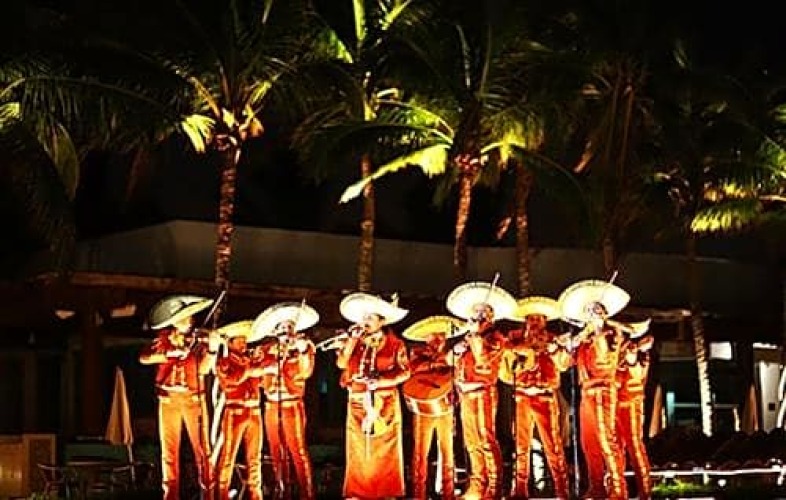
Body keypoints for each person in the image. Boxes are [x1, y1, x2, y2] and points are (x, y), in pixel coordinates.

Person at [139, 294, 219, 500]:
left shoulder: (197, 342)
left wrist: (212, 349)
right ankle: (170, 495)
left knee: (202, 449)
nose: (189, 322)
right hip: (168, 400)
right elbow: (144, 357)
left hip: (193, 400)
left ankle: (208, 493)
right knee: (169, 451)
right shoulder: (163, 340)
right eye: (184, 318)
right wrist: (169, 354)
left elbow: (204, 369)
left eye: (190, 318)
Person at [558, 279, 631, 500]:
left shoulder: (612, 335)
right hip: (586, 393)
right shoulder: (583, 340)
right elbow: (564, 365)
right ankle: (596, 487)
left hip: (603, 390)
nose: (592, 314)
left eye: (596, 310)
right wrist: (567, 347)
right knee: (588, 443)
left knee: (607, 439)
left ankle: (618, 488)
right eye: (588, 311)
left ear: (604, 313)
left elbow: (605, 359)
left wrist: (598, 330)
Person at [446, 281, 517, 500]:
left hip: (482, 392)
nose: (477, 316)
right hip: (465, 394)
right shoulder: (468, 338)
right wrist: (456, 350)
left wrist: (475, 337)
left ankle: (495, 486)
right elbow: (449, 361)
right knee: (471, 441)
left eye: (483, 312)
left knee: (485, 438)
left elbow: (483, 360)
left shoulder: (496, 339)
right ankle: (478, 483)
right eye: (475, 312)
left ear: (491, 317)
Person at [335, 292, 411, 499]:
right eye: (363, 317)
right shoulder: (354, 341)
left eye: (370, 317)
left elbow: (405, 372)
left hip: (384, 401)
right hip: (357, 400)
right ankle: (357, 492)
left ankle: (387, 491)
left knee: (386, 445)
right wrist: (351, 341)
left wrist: (381, 381)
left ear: (381, 321)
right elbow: (341, 364)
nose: (365, 321)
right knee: (358, 446)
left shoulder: (395, 344)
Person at [499, 296, 570, 499]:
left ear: (545, 321)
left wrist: (556, 350)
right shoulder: (514, 338)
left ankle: (562, 489)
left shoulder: (553, 339)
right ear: (525, 320)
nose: (535, 322)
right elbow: (504, 364)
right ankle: (519, 488)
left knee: (552, 445)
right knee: (521, 445)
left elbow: (564, 364)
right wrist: (518, 349)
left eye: (539, 318)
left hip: (544, 396)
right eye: (531, 318)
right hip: (522, 396)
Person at [252, 302, 320, 500]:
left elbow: (306, 372)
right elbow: (254, 374)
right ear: (275, 331)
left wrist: (302, 350)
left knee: (298, 450)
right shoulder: (265, 350)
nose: (286, 330)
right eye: (282, 327)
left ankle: (307, 493)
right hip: (271, 405)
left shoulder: (302, 347)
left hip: (292, 404)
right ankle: (282, 490)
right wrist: (265, 367)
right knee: (275, 449)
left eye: (289, 326)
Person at [401, 316, 462, 500]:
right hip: (422, 409)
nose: (436, 340)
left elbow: (459, 374)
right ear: (425, 338)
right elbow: (410, 369)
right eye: (432, 337)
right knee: (420, 452)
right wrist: (434, 363)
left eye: (440, 336)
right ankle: (418, 493)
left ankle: (448, 493)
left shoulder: (453, 354)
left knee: (447, 452)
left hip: (445, 407)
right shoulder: (417, 353)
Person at [214, 320, 266, 500]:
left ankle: (256, 495)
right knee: (228, 455)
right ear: (230, 343)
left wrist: (258, 361)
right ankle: (221, 494)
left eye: (245, 341)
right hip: (235, 411)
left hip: (254, 411)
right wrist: (249, 369)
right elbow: (231, 381)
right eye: (240, 341)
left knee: (255, 457)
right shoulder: (224, 362)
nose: (244, 344)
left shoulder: (249, 361)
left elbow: (261, 381)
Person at [616, 322, 655, 499]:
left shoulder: (636, 351)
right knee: (615, 448)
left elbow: (637, 373)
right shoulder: (617, 349)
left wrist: (631, 357)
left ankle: (645, 489)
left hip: (631, 402)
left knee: (634, 445)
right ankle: (618, 490)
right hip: (614, 403)